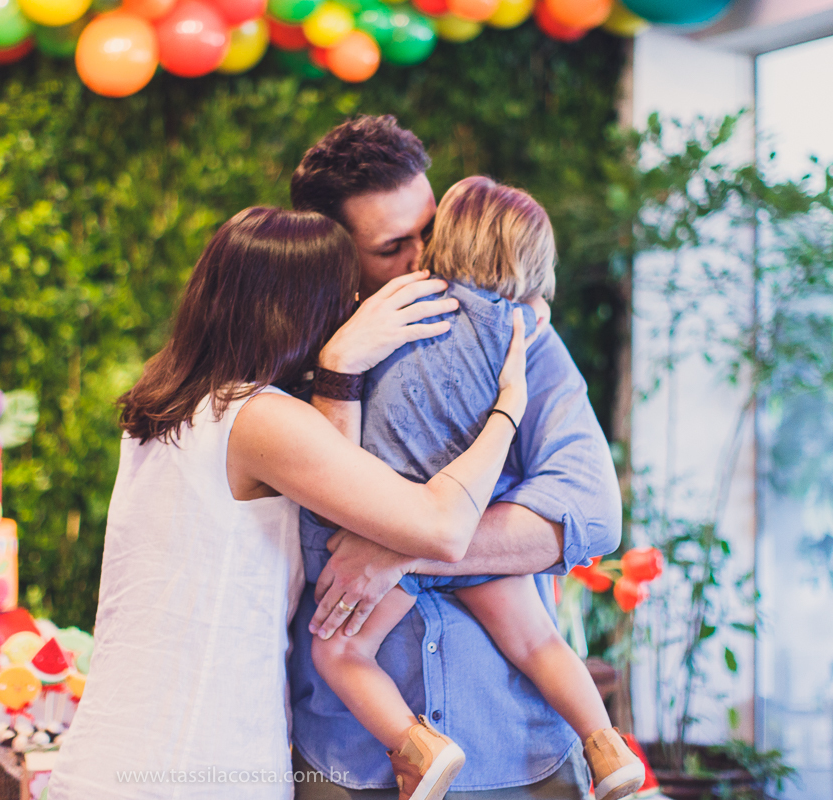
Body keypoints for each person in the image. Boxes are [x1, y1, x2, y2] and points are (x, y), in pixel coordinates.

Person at [47, 206, 537, 799]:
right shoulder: (258, 419)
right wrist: (509, 405)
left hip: (116, 753)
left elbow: (330, 491)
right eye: (346, 297)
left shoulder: (169, 405)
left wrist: (337, 374)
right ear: (307, 309)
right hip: (197, 763)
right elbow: (442, 529)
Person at [288, 116, 624, 800]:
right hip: (350, 757)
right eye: (392, 248)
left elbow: (591, 514)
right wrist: (339, 367)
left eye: (430, 230)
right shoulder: (295, 352)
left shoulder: (527, 336)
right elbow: (323, 518)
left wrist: (409, 546)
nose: (424, 259)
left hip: (515, 742)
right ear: (336, 254)